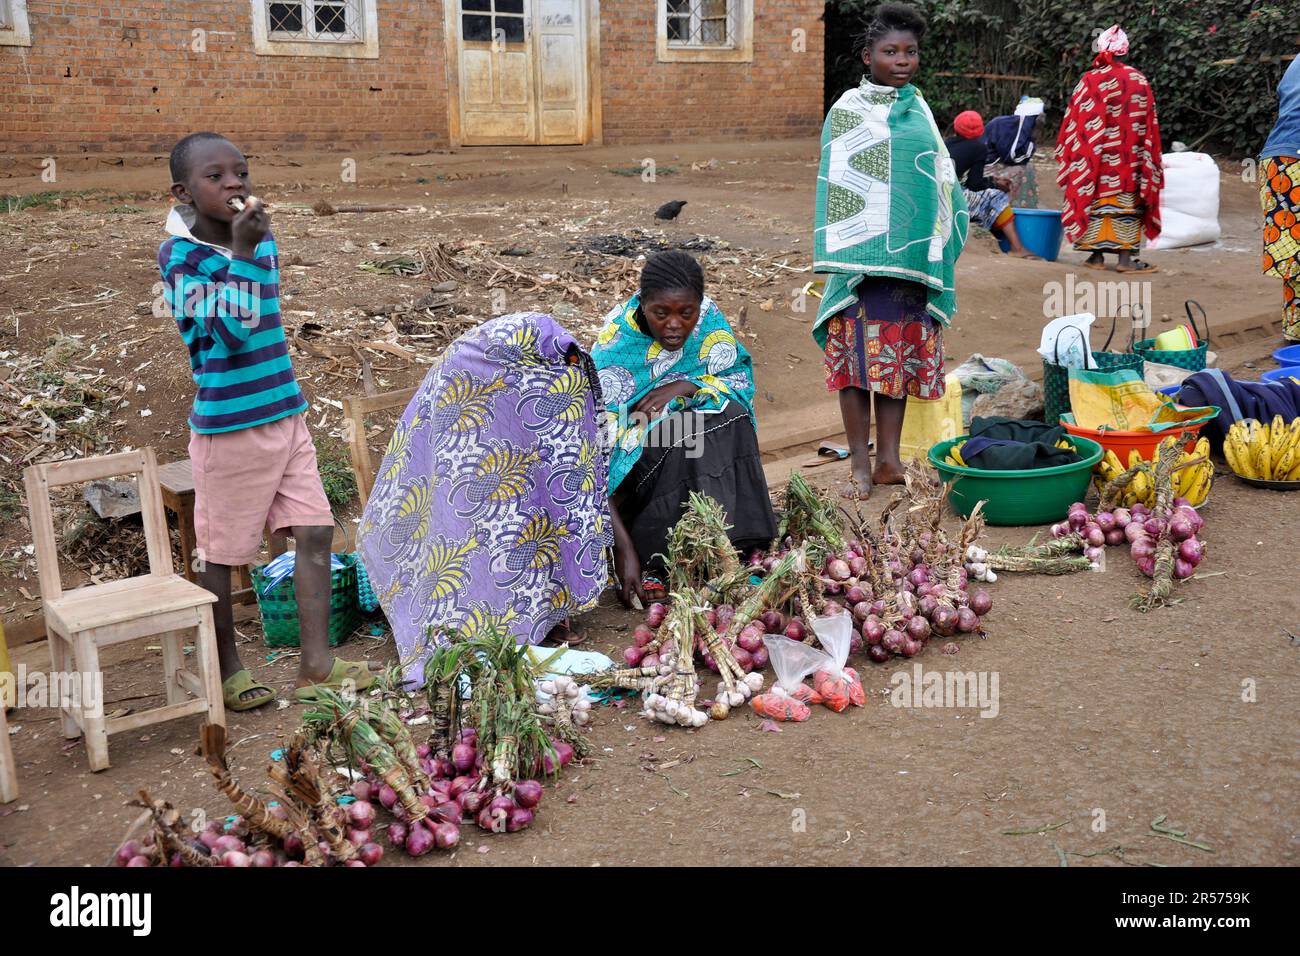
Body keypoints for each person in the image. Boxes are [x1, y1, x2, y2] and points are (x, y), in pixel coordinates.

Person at [160, 132, 375, 709]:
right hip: (229, 428)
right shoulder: (180, 258)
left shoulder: (259, 239)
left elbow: (262, 317)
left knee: (315, 532)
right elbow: (228, 334)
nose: (234, 183)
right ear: (183, 191)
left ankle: (317, 664)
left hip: (286, 411)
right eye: (216, 176)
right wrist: (247, 253)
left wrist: (253, 248)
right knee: (226, 555)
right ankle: (227, 669)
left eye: (241, 172)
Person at [356, 312, 616, 686]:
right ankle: (481, 617)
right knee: (469, 520)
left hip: (516, 428)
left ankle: (550, 608)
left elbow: (575, 472)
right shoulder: (466, 372)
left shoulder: (557, 372)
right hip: (471, 432)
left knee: (543, 504)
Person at [813, 2, 968, 499]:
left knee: (896, 363)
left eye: (911, 52)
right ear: (867, 56)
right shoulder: (847, 109)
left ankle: (888, 462)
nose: (902, 60)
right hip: (859, 270)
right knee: (857, 368)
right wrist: (869, 237)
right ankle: (858, 465)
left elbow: (935, 176)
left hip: (909, 267)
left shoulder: (919, 108)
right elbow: (841, 180)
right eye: (890, 51)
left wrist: (931, 241)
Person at [592, 251, 778, 600]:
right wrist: (623, 550)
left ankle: (735, 544)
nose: (674, 324)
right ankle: (657, 558)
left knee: (730, 415)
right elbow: (593, 461)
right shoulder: (616, 346)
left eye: (685, 313)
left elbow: (736, 375)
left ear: (699, 305)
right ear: (642, 304)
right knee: (681, 434)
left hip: (685, 431)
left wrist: (687, 386)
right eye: (660, 313)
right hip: (635, 478)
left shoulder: (708, 321)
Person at [1056, 24, 1164, 273]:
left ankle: (1096, 257)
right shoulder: (1138, 80)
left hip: (1093, 163)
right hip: (1129, 161)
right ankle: (1125, 261)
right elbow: (1148, 125)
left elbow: (1074, 122)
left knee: (1094, 198)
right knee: (1126, 203)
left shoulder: (1089, 80)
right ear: (1124, 51)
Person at [945, 109, 1040, 259]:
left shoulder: (946, 143)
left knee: (987, 194)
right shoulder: (978, 148)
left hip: (938, 196)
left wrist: (993, 181)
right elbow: (974, 184)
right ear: (980, 131)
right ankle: (1017, 248)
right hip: (953, 200)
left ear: (956, 127)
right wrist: (996, 185)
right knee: (997, 197)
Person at [1259, 54, 1300, 342]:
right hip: (1295, 162)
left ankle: (1295, 332)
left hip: (1276, 161)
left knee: (1293, 255)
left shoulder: (1296, 62)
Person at [984, 96, 1044, 207]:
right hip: (985, 169)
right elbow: (1013, 157)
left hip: (992, 165)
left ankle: (1018, 209)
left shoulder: (1004, 123)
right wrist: (1032, 141)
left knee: (1026, 168)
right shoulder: (1012, 127)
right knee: (1024, 171)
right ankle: (1016, 210)